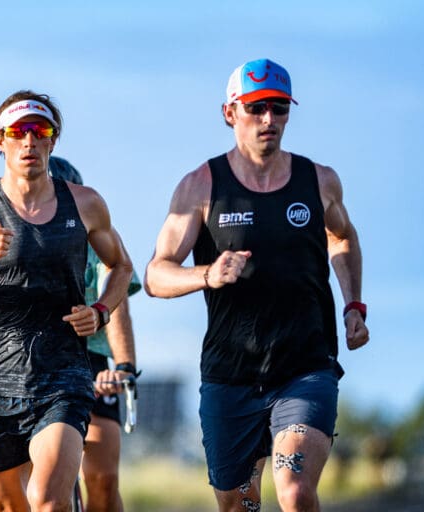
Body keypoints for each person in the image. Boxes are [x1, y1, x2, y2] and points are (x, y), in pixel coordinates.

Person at [144, 58, 369, 512]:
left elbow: (342, 236)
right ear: (230, 113)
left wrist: (353, 306)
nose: (270, 119)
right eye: (257, 107)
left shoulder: (318, 181)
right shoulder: (201, 186)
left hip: (304, 368)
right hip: (232, 375)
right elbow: (155, 274)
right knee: (240, 505)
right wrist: (206, 274)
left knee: (294, 489)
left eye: (280, 108)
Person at [0, 91, 133, 512]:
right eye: (18, 132)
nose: (28, 141)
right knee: (10, 507)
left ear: (53, 139)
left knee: (49, 502)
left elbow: (121, 266)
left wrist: (101, 312)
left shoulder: (85, 203)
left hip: (64, 374)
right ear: (0, 139)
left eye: (39, 131)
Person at [48, 156, 141, 512]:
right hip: (34, 361)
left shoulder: (96, 237)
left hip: (92, 361)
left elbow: (116, 306)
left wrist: (125, 368)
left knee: (102, 479)